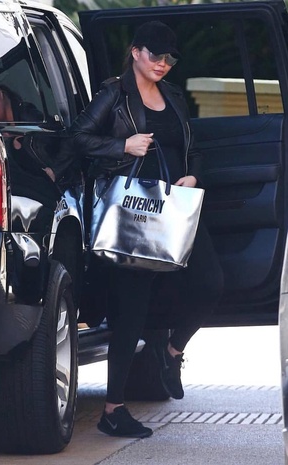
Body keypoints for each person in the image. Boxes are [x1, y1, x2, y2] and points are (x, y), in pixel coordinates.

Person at [70, 21, 224, 438]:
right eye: (154, 55)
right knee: (131, 311)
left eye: (169, 58)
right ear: (135, 52)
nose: (162, 63)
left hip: (175, 210)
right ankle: (113, 410)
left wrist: (192, 175)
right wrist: (123, 145)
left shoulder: (173, 96)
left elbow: (194, 150)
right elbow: (78, 137)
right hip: (135, 213)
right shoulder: (114, 94)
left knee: (210, 283)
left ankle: (172, 353)